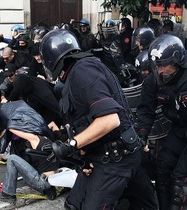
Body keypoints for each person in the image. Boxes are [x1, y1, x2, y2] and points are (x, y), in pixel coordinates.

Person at [40, 29, 142, 209]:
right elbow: (86, 121)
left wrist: (70, 145)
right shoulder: (74, 74)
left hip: (117, 158)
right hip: (100, 155)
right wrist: (82, 155)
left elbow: (110, 120)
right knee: (73, 204)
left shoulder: (82, 70)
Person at [137, 34, 187, 210]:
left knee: (181, 179)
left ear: (178, 62)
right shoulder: (154, 81)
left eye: (164, 64)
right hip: (180, 129)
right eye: (157, 65)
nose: (161, 70)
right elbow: (146, 109)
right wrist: (142, 136)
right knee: (162, 169)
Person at [0, 100, 59, 203]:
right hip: (51, 182)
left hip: (43, 184)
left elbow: (12, 128)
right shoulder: (46, 137)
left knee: (12, 159)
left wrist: (8, 122)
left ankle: (7, 194)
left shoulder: (36, 140)